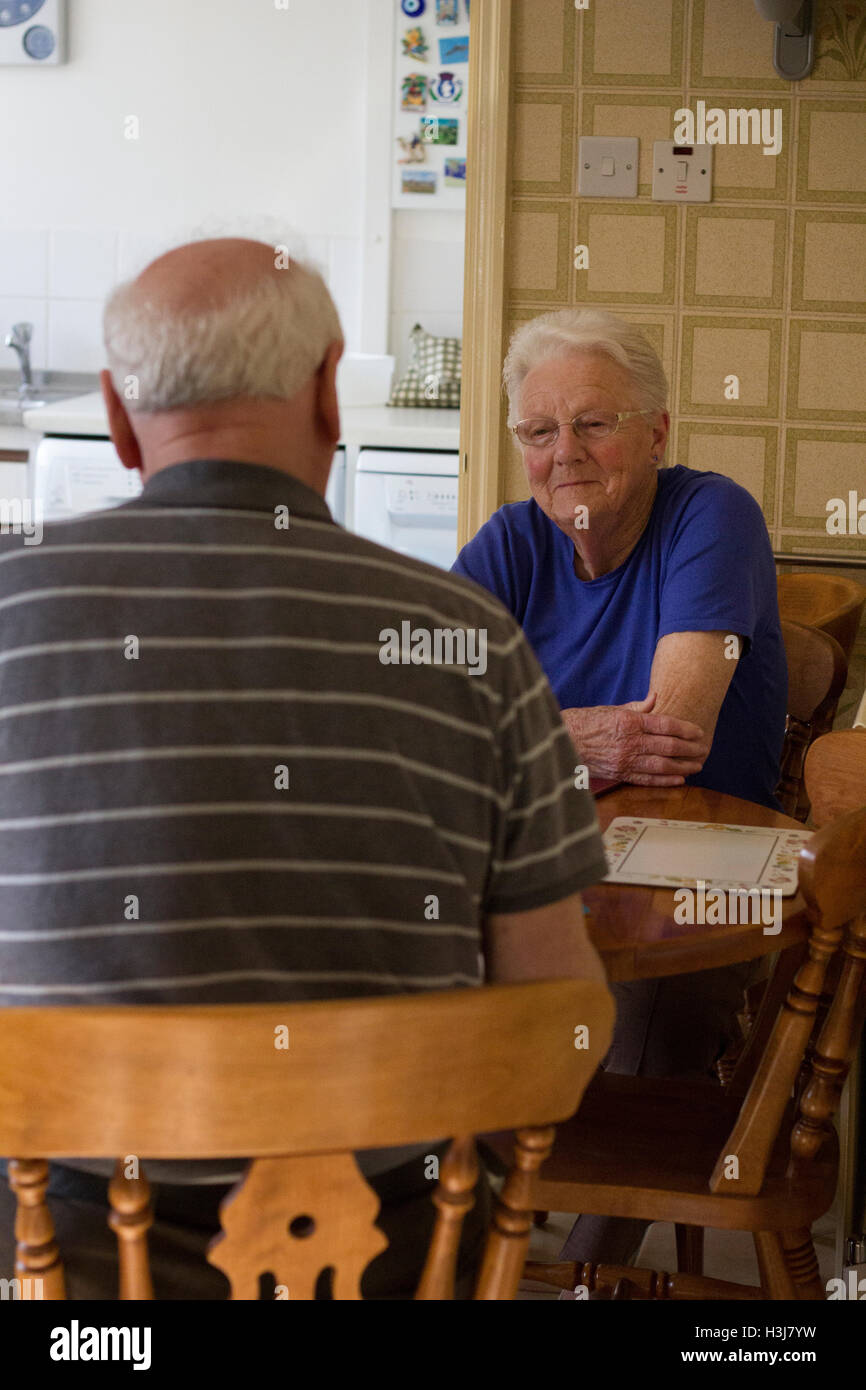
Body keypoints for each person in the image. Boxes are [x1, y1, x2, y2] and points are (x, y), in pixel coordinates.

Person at [0, 241, 610, 1299]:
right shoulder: (468, 638)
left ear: (114, 410)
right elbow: (558, 1017)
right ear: (329, 392)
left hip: (74, 1271)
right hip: (387, 1256)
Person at [452, 307, 787, 1274]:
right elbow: (418, 727)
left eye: (594, 423)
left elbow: (671, 737)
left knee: (644, 1038)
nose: (566, 454)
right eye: (538, 432)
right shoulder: (512, 544)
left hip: (696, 903)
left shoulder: (710, 515)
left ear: (656, 431)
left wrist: (518, 744)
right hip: (541, 881)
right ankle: (465, 1257)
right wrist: (581, 744)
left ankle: (579, 1285)